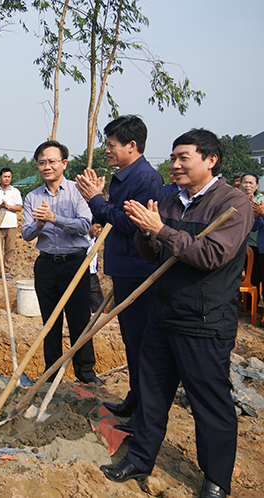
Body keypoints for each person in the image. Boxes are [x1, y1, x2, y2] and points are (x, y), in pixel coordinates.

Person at [101, 129, 252, 498]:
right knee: (151, 396)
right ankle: (139, 457)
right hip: (162, 315)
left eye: (184, 157)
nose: (175, 165)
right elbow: (153, 255)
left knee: (209, 404)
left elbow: (210, 257)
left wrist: (162, 230)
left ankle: (216, 478)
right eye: (173, 158)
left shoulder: (232, 204)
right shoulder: (169, 201)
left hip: (203, 321)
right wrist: (146, 233)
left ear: (210, 160)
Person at [75, 115, 163, 433]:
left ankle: (143, 412)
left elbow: (129, 222)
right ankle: (134, 399)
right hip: (125, 268)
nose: (107, 150)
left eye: (111, 145)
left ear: (131, 145)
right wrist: (100, 203)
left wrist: (96, 200)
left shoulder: (146, 179)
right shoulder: (125, 175)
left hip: (139, 271)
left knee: (142, 343)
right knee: (130, 340)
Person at [22, 140, 103, 385]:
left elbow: (84, 226)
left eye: (51, 162)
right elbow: (26, 233)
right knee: (50, 322)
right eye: (42, 163)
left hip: (75, 264)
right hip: (46, 265)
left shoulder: (78, 192)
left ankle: (85, 372)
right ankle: (52, 373)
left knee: (79, 319)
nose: (47, 167)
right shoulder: (32, 197)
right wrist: (39, 224)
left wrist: (54, 218)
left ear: (64, 164)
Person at [0, 167, 22, 280]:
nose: (7, 179)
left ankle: (7, 271)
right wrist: (0, 207)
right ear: (0, 177)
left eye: (9, 177)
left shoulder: (15, 191)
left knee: (10, 249)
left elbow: (19, 207)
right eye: (5, 176)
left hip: (11, 224)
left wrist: (8, 207)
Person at [87, 222, 104, 313]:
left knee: (98, 304)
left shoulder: (96, 240)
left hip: (92, 276)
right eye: (97, 227)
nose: (99, 230)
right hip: (80, 275)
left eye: (100, 228)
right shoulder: (81, 240)